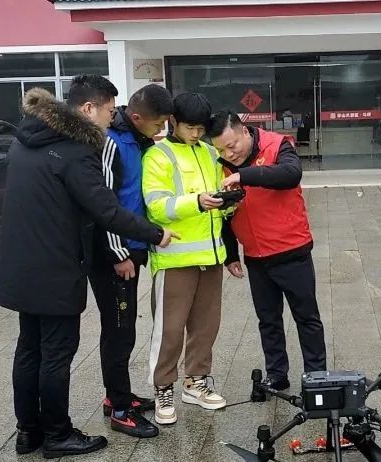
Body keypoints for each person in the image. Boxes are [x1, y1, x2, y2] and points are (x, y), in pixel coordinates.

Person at [0, 75, 178, 459]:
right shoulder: (76, 150)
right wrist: (155, 232)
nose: (112, 117)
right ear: (89, 108)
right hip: (56, 266)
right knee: (56, 353)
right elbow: (105, 209)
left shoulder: (27, 140)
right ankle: (57, 435)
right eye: (109, 111)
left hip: (21, 263)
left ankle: (29, 432)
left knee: (29, 349)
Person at [207, 110, 327, 391]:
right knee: (268, 321)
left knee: (307, 318)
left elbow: (291, 174)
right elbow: (224, 212)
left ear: (244, 131)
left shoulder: (277, 145)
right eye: (221, 150)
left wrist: (243, 175)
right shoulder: (221, 164)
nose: (229, 154)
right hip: (256, 257)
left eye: (232, 146)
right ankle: (276, 374)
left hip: (291, 250)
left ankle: (317, 376)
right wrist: (231, 254)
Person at [89, 84, 174, 439]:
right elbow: (104, 205)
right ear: (137, 117)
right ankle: (120, 410)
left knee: (123, 328)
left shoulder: (138, 140)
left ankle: (117, 395)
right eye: (158, 124)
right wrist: (118, 253)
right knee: (119, 329)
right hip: (115, 255)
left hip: (132, 248)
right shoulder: (112, 142)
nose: (161, 130)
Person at [142, 92, 229, 426]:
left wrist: (229, 201)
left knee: (206, 326)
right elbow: (156, 206)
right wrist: (196, 202)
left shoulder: (210, 153)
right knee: (170, 329)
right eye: (190, 127)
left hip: (211, 255)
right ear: (173, 121)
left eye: (201, 128)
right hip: (174, 258)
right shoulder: (157, 155)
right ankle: (163, 387)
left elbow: (219, 197)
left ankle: (196, 381)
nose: (196, 134)